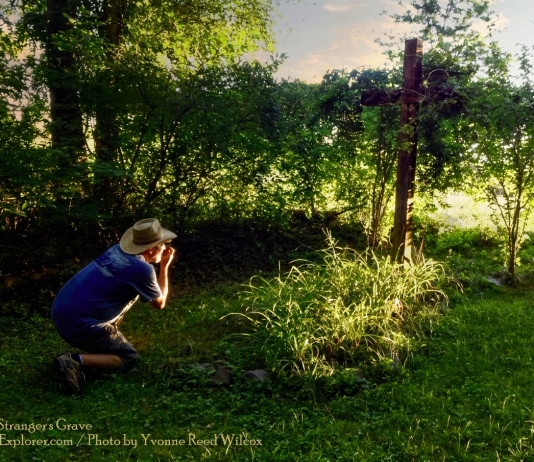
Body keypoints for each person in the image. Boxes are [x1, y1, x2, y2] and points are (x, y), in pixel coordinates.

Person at [51, 218, 177, 394]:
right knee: (130, 359)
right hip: (81, 326)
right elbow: (160, 303)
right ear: (151, 249)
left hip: (59, 312)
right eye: (163, 244)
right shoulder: (142, 269)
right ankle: (73, 360)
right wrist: (164, 267)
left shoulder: (116, 250)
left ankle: (95, 351)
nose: (165, 248)